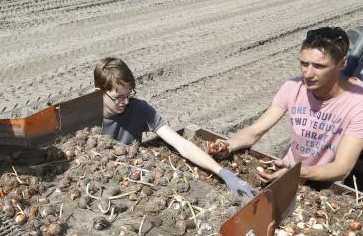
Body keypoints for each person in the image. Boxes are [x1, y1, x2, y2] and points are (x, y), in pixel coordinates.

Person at [212, 27, 363, 184]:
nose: (308, 74)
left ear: (342, 64)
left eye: (319, 66)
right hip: (287, 170)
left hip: (325, 183)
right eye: (304, 63)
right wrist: (230, 144)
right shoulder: (293, 87)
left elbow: (342, 167)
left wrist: (298, 172)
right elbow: (255, 131)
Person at [94, 57, 256, 195]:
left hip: (129, 179)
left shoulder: (138, 109)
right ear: (98, 92)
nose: (126, 102)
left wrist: (224, 173)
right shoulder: (85, 121)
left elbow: (181, 144)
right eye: (119, 97)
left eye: (129, 95)